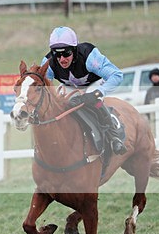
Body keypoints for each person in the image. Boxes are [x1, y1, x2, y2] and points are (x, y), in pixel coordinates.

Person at [40, 26, 127, 155]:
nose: (62, 59)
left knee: (93, 100)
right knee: (62, 102)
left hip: (94, 83)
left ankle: (114, 137)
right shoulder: (48, 62)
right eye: (57, 54)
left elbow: (117, 75)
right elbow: (44, 87)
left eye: (66, 53)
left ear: (74, 50)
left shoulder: (89, 56)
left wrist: (98, 93)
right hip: (69, 86)